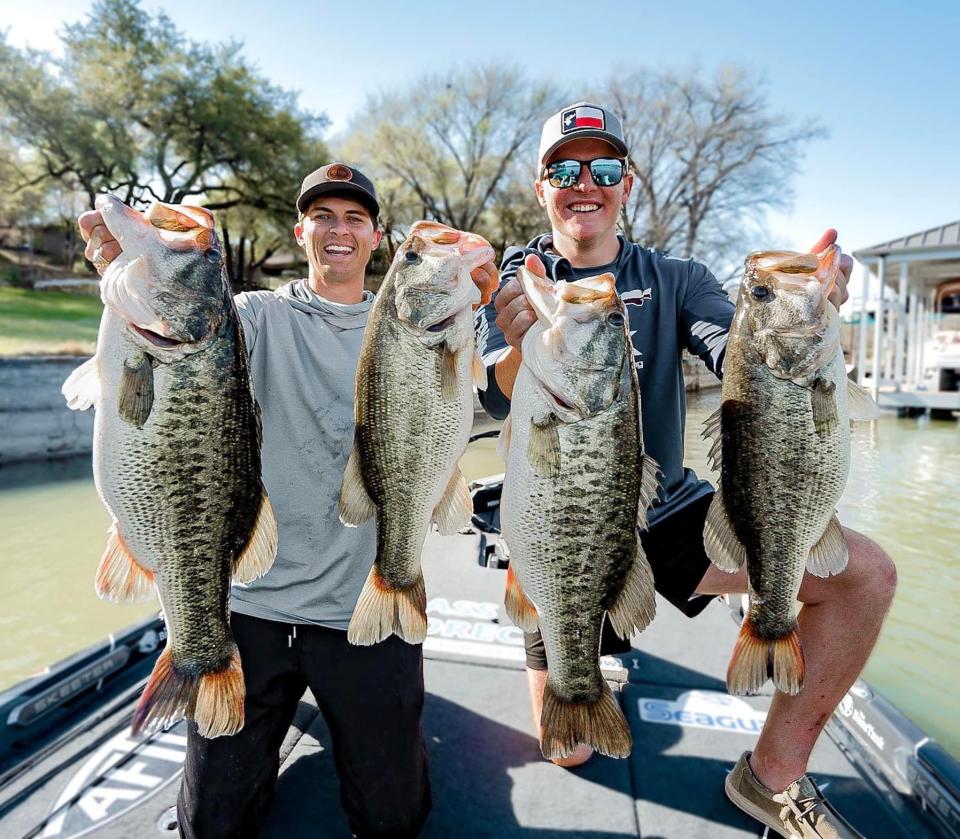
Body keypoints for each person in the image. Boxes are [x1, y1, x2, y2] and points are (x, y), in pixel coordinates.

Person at [474, 102, 898, 839]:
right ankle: (585, 637)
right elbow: (491, 388)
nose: (585, 182)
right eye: (564, 168)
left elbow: (738, 350)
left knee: (868, 574)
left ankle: (770, 777)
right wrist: (517, 344)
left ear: (627, 184)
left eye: (604, 168)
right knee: (568, 745)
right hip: (562, 525)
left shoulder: (676, 275)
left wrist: (805, 311)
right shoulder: (522, 277)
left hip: (665, 511)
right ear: (541, 187)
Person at [79, 163, 485, 838]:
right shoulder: (250, 317)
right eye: (323, 214)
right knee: (213, 824)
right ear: (301, 232)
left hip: (359, 609)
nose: (338, 229)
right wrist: (130, 261)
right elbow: (181, 336)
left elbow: (494, 394)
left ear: (376, 238)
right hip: (250, 603)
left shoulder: (416, 328)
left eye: (354, 217)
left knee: (394, 818)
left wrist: (505, 317)